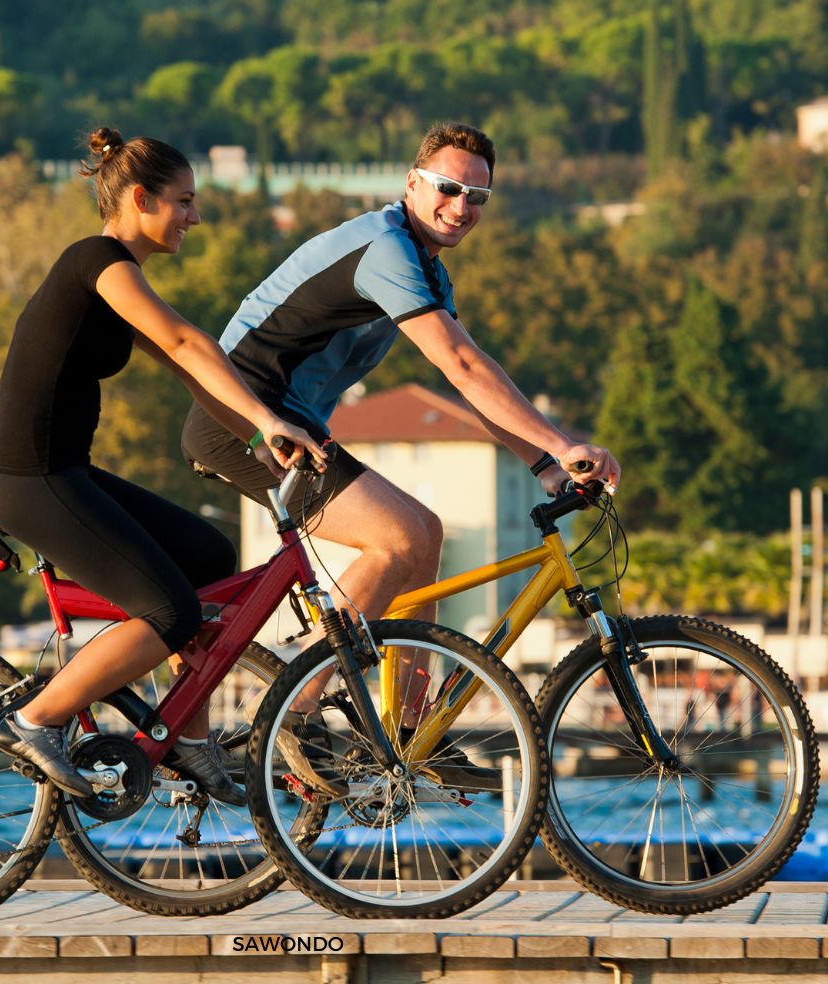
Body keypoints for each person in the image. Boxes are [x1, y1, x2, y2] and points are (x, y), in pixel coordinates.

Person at [182, 121, 621, 795]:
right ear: (412, 183)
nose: (461, 207)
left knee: (426, 537)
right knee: (398, 537)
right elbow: (465, 365)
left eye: (478, 197)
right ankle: (294, 710)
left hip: (290, 427)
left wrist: (543, 464)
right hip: (242, 419)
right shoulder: (384, 246)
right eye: (448, 188)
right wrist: (563, 444)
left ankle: (413, 730)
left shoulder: (424, 270)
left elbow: (466, 382)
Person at [0, 126, 325, 803]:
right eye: (184, 201)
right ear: (140, 198)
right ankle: (36, 718)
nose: (195, 216)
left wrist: (264, 439)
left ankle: (184, 737)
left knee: (208, 555)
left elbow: (194, 373)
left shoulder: (116, 278)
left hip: (62, 472)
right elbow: (186, 338)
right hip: (29, 479)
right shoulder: (96, 261)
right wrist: (272, 420)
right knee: (171, 611)